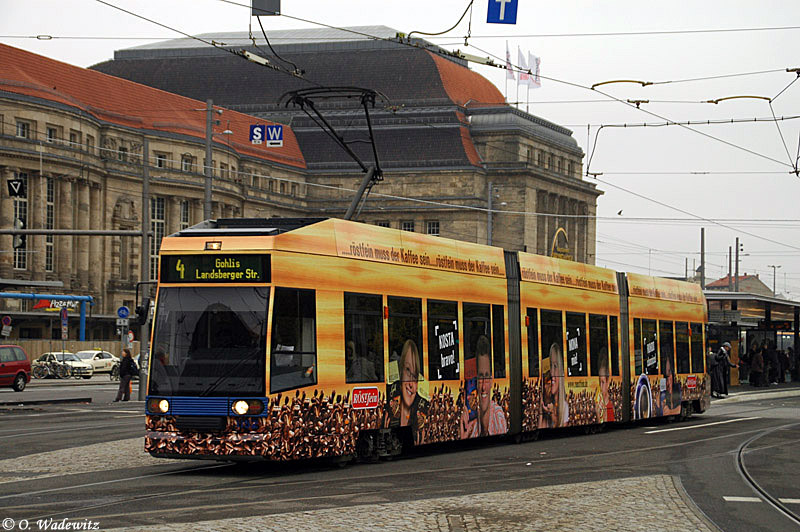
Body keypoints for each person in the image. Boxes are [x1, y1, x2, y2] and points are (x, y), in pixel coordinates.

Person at [460, 336, 507, 438]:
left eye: (487, 377)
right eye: (480, 378)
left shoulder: (498, 415)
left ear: (491, 381)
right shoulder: (471, 425)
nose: (483, 387)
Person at [539, 342, 569, 428]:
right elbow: (540, 430)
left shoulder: (564, 406)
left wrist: (551, 413)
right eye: (550, 366)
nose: (551, 373)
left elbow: (561, 430)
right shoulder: (547, 403)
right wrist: (541, 412)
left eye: (555, 366)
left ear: (562, 372)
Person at [596, 348, 615, 423]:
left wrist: (603, 415)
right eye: (599, 382)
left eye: (603, 382)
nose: (600, 386)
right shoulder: (599, 400)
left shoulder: (610, 404)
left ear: (608, 383)